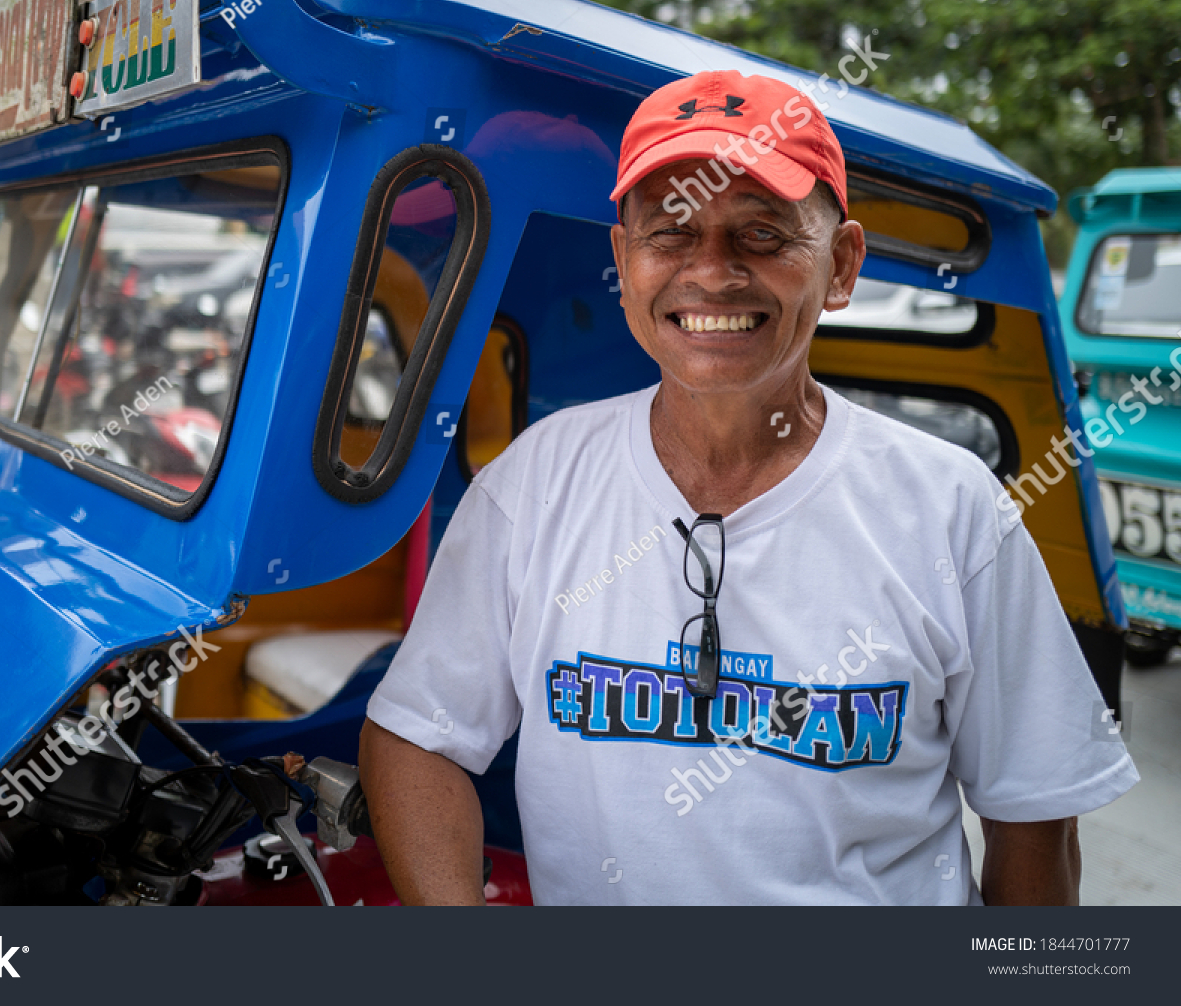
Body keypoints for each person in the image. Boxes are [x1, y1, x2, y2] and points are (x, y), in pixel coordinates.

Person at [358, 69, 1138, 905]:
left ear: (841, 266)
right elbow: (416, 737)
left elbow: (1036, 819)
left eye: (763, 235)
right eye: (670, 233)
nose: (713, 273)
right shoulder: (533, 484)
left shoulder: (953, 512)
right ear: (624, 261)